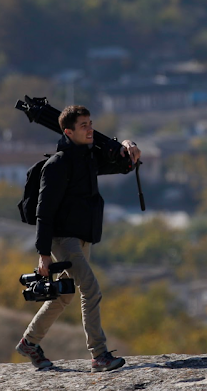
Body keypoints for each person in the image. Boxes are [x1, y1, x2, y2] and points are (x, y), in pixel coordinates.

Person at [16, 104, 141, 372]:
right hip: (64, 239)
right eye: (84, 125)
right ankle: (99, 354)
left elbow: (121, 166)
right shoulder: (57, 165)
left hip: (83, 238)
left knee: (64, 295)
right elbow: (44, 212)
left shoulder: (88, 158)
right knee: (91, 289)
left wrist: (128, 146)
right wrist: (43, 254)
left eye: (90, 123)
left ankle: (29, 342)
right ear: (68, 132)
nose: (90, 129)